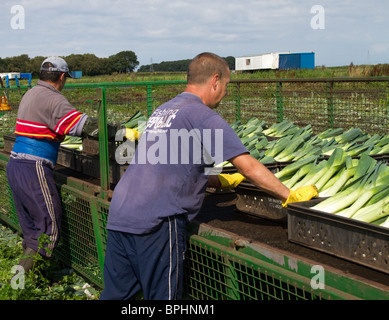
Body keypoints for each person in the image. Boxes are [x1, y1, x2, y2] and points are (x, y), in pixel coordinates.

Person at [100, 52, 318, 300]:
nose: (225, 93)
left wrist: (217, 179)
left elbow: (173, 163)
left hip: (120, 213)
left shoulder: (163, 110)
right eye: (226, 85)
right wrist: (288, 195)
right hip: (156, 221)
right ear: (215, 80)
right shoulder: (203, 115)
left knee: (117, 297)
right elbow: (247, 165)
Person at [6, 56, 104, 272]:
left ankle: (21, 281)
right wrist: (115, 130)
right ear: (62, 76)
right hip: (34, 167)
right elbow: (82, 126)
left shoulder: (31, 92)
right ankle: (25, 283)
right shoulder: (52, 98)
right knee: (49, 230)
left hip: (16, 165)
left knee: (32, 230)